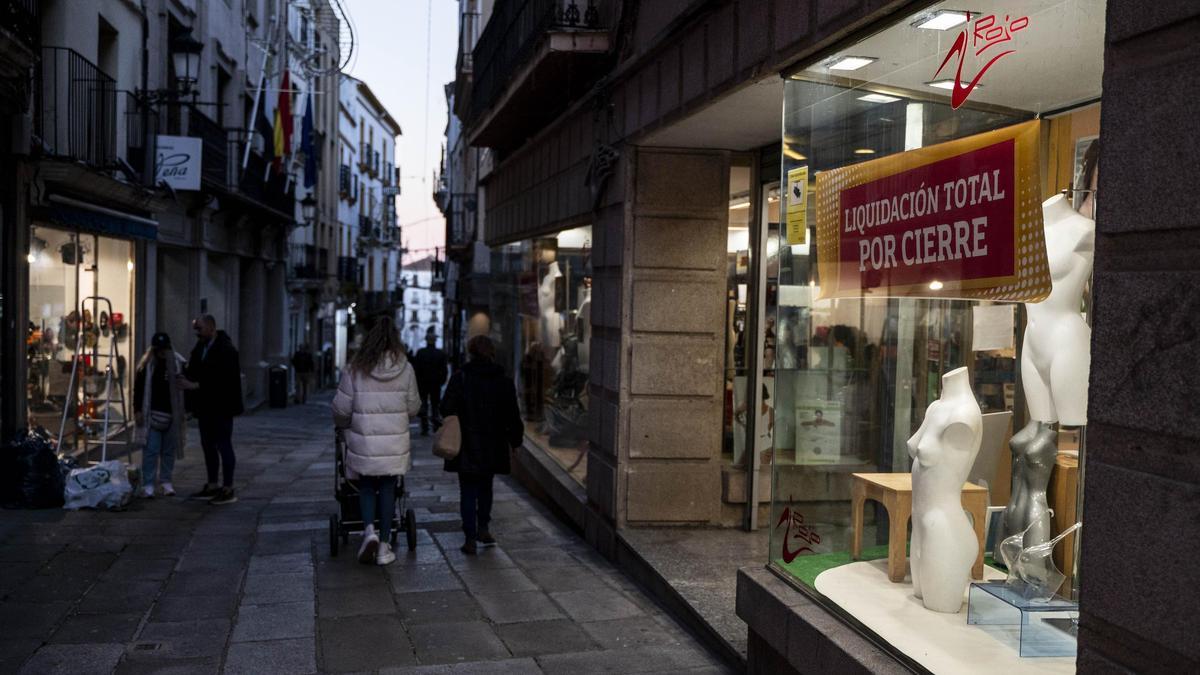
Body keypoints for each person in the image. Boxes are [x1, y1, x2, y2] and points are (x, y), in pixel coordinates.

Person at [332, 315, 420, 566]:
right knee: (389, 487)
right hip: (393, 442)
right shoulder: (406, 368)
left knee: (367, 484)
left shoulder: (355, 368)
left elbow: (341, 408)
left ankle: (368, 530)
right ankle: (383, 545)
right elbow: (413, 407)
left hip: (365, 441)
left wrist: (343, 422)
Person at [440, 335, 524, 555]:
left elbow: (445, 407)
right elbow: (512, 415)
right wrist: (516, 441)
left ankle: (470, 537)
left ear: (471, 353)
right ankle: (483, 528)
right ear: (491, 353)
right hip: (492, 443)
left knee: (467, 490)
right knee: (486, 486)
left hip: (467, 443)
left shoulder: (461, 378)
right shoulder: (503, 381)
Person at [177, 315, 244, 505]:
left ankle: (228, 487)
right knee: (208, 446)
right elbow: (194, 369)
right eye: (196, 329)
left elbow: (224, 380)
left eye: (200, 329)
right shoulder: (201, 347)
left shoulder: (226, 349)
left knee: (223, 445)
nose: (197, 333)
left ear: (211, 328)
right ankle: (212, 484)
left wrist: (195, 385)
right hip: (205, 407)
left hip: (222, 407)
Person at [133, 332, 187, 498]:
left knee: (169, 451)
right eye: (159, 350)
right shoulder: (146, 365)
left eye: (165, 349)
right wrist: (138, 410)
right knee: (151, 450)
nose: (163, 353)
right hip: (152, 414)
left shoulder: (178, 363)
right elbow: (139, 389)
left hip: (172, 414)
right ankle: (148, 484)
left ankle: (166, 481)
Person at [412, 329, 448, 436]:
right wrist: (441, 382)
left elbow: (416, 369)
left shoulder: (420, 353)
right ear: (435, 341)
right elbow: (444, 371)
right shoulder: (440, 354)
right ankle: (436, 426)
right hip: (435, 384)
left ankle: (425, 428)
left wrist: (417, 382)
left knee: (423, 406)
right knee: (435, 406)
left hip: (422, 383)